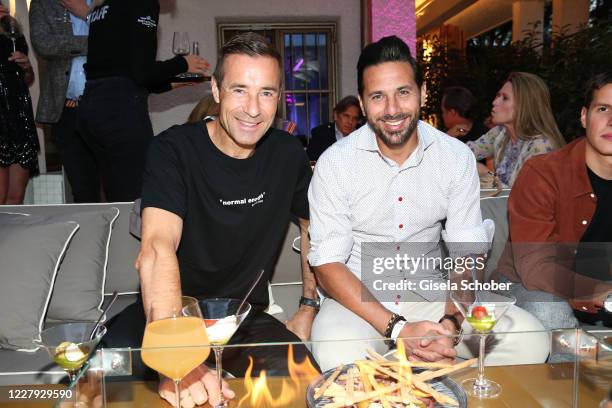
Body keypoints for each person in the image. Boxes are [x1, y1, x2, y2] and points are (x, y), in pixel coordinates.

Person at [103, 32, 319, 407]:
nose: (253, 109)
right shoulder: (173, 150)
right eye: (239, 90)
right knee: (99, 383)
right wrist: (179, 355)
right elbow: (157, 247)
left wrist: (307, 307)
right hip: (170, 313)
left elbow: (312, 225)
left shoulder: (288, 155)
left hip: (241, 319)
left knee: (305, 385)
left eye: (266, 93)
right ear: (216, 90)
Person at [308, 35, 549, 371]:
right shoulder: (334, 164)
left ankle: (438, 383)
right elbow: (328, 264)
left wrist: (450, 324)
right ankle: (405, 376)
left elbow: (466, 253)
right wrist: (398, 329)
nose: (392, 109)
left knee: (530, 339)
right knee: (339, 355)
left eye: (403, 92)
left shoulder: (455, 157)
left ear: (422, 93)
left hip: (432, 295)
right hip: (357, 302)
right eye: (378, 96)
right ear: (363, 104)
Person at [495, 72, 612, 330]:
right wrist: (601, 291)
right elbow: (536, 268)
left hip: (603, 294)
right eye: (603, 109)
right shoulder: (544, 173)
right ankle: (561, 369)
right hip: (526, 285)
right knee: (549, 311)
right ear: (585, 116)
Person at [77, 0, 210, 202]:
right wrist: (183, 63)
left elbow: (122, 73)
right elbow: (142, 73)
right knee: (137, 198)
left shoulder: (102, 6)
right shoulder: (143, 3)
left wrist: (173, 84)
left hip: (92, 108)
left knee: (115, 196)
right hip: (119, 114)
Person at [29, 0, 101, 203]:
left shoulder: (104, 3)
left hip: (105, 106)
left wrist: (87, 14)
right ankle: (89, 234)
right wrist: (94, 42)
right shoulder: (43, 3)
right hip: (66, 109)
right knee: (82, 188)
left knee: (115, 182)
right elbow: (45, 44)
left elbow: (122, 38)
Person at [467, 72, 565, 188]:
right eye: (498, 96)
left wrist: (486, 175)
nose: (494, 102)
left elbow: (525, 199)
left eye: (505, 98)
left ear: (524, 105)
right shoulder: (501, 133)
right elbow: (464, 153)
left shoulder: (541, 146)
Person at [0, 8, 38, 204]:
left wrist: (26, 67)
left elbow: (28, 79)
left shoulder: (11, 27)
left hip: (18, 113)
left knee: (15, 197)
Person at [306, 95, 362, 161]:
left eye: (355, 118)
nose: (350, 122)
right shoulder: (320, 134)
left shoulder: (362, 135)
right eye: (346, 116)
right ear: (335, 115)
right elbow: (311, 163)